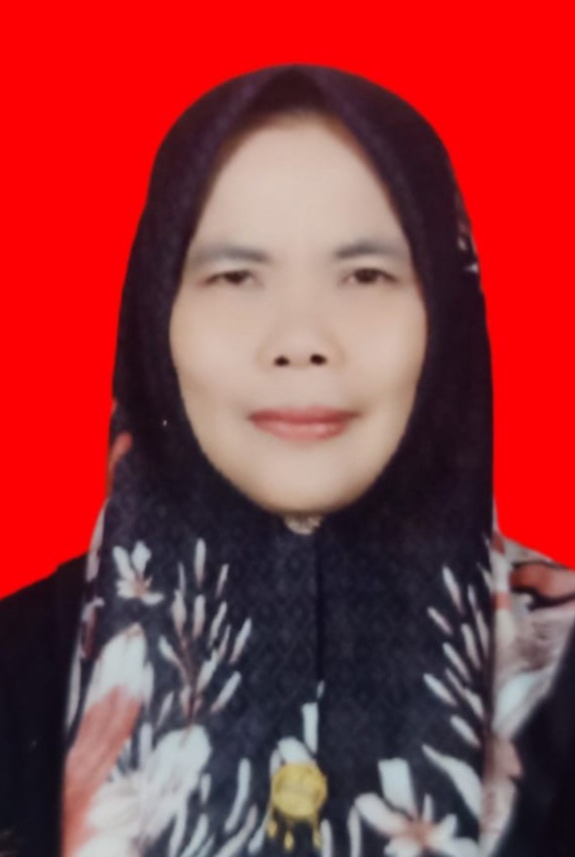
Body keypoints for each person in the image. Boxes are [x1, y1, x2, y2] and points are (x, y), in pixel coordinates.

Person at [1, 64, 574, 857]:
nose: (300, 340)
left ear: (446, 311)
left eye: (365, 275)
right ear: (155, 316)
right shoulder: (16, 667)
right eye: (235, 276)